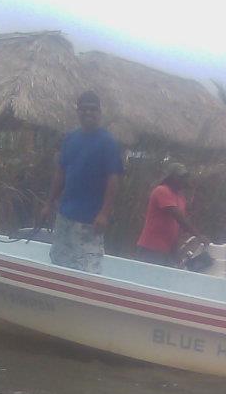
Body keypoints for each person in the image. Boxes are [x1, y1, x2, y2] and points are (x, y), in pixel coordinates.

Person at [42, 91, 123, 273]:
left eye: (93, 109)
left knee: (88, 270)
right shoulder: (70, 138)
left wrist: (104, 214)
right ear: (78, 112)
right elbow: (61, 172)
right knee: (59, 263)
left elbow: (113, 179)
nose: (88, 113)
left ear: (99, 112)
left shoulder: (108, 142)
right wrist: (48, 204)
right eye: (84, 109)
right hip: (65, 215)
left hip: (90, 221)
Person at [135, 162, 202, 266]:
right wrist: (198, 235)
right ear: (170, 177)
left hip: (167, 251)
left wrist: (175, 251)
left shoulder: (181, 198)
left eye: (184, 177)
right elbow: (179, 218)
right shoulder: (162, 190)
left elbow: (177, 226)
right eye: (179, 177)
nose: (182, 180)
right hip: (151, 249)